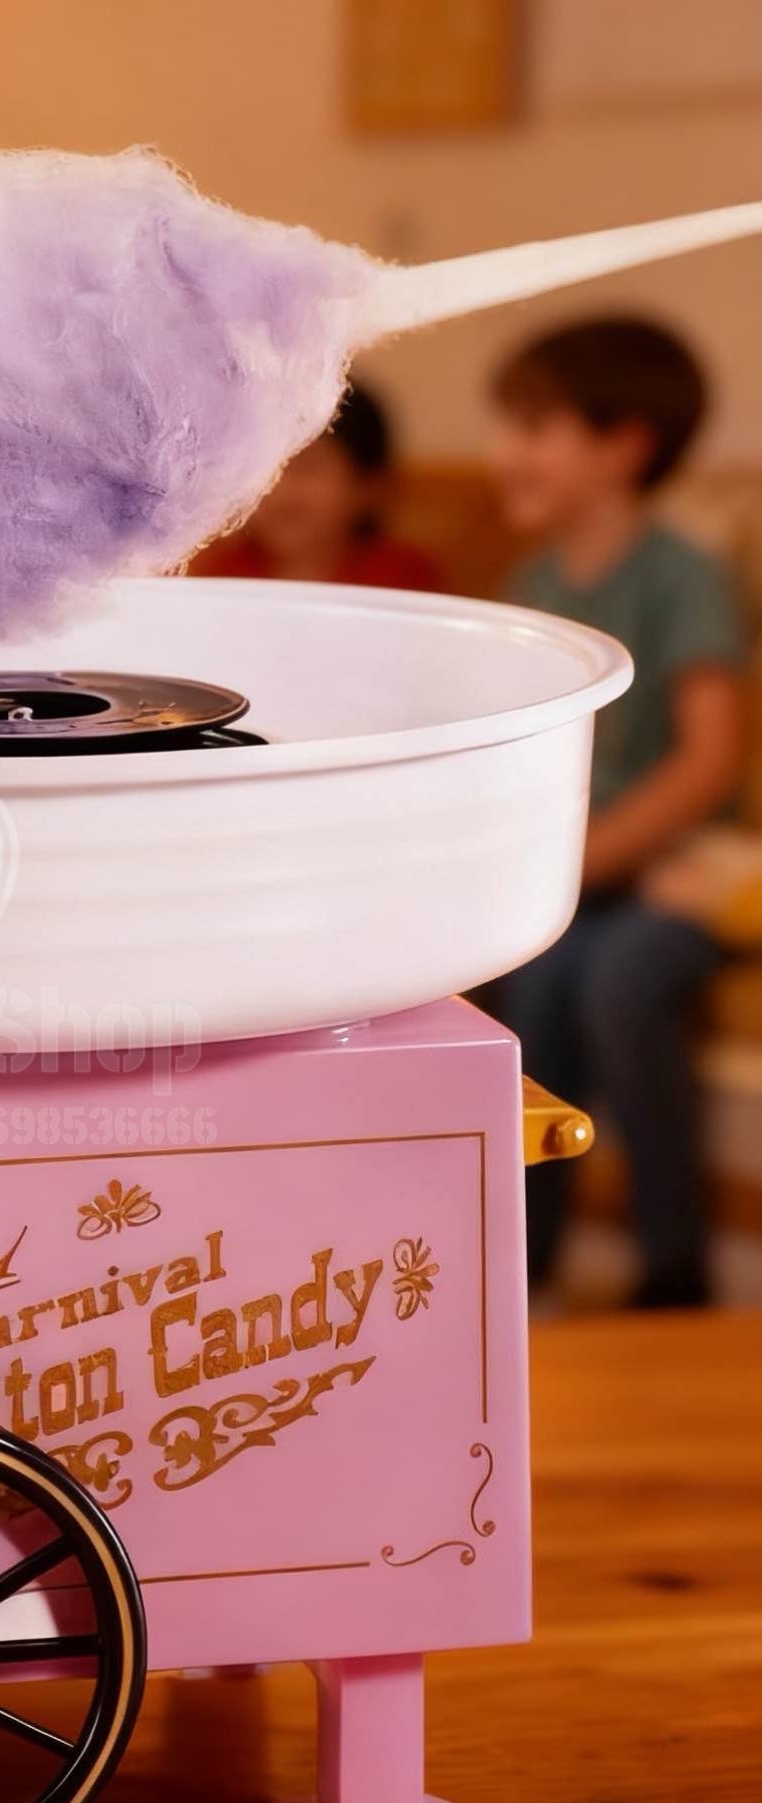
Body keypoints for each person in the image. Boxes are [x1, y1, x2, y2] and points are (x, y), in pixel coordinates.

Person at [488, 318, 750, 1308]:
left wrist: (582, 860)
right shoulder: (532, 589)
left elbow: (708, 760)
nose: (506, 452)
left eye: (534, 427)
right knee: (538, 986)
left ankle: (674, 1271)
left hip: (680, 877)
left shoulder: (678, 577)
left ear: (624, 444)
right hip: (579, 886)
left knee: (618, 981)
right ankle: (526, 1268)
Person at [197, 383, 441, 589]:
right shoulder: (223, 573)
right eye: (266, 468)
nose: (280, 489)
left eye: (308, 466)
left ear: (370, 485)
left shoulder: (401, 578)